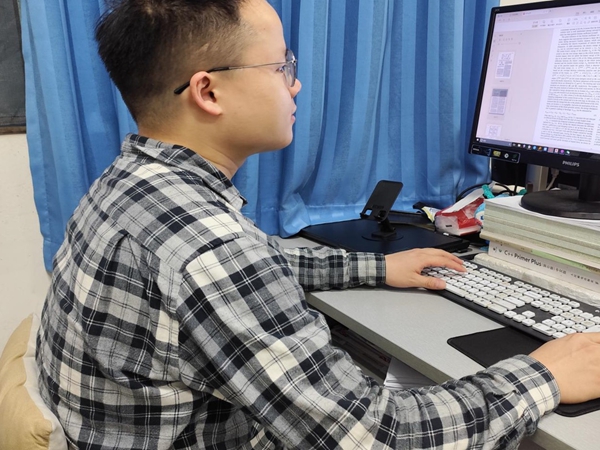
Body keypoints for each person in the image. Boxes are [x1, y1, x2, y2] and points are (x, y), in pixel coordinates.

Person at [36, 0, 600, 448]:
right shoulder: (209, 246)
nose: (295, 85)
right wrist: (543, 375)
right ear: (208, 91)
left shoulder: (134, 182)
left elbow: (254, 260)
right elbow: (377, 437)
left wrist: (375, 267)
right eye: (282, 67)